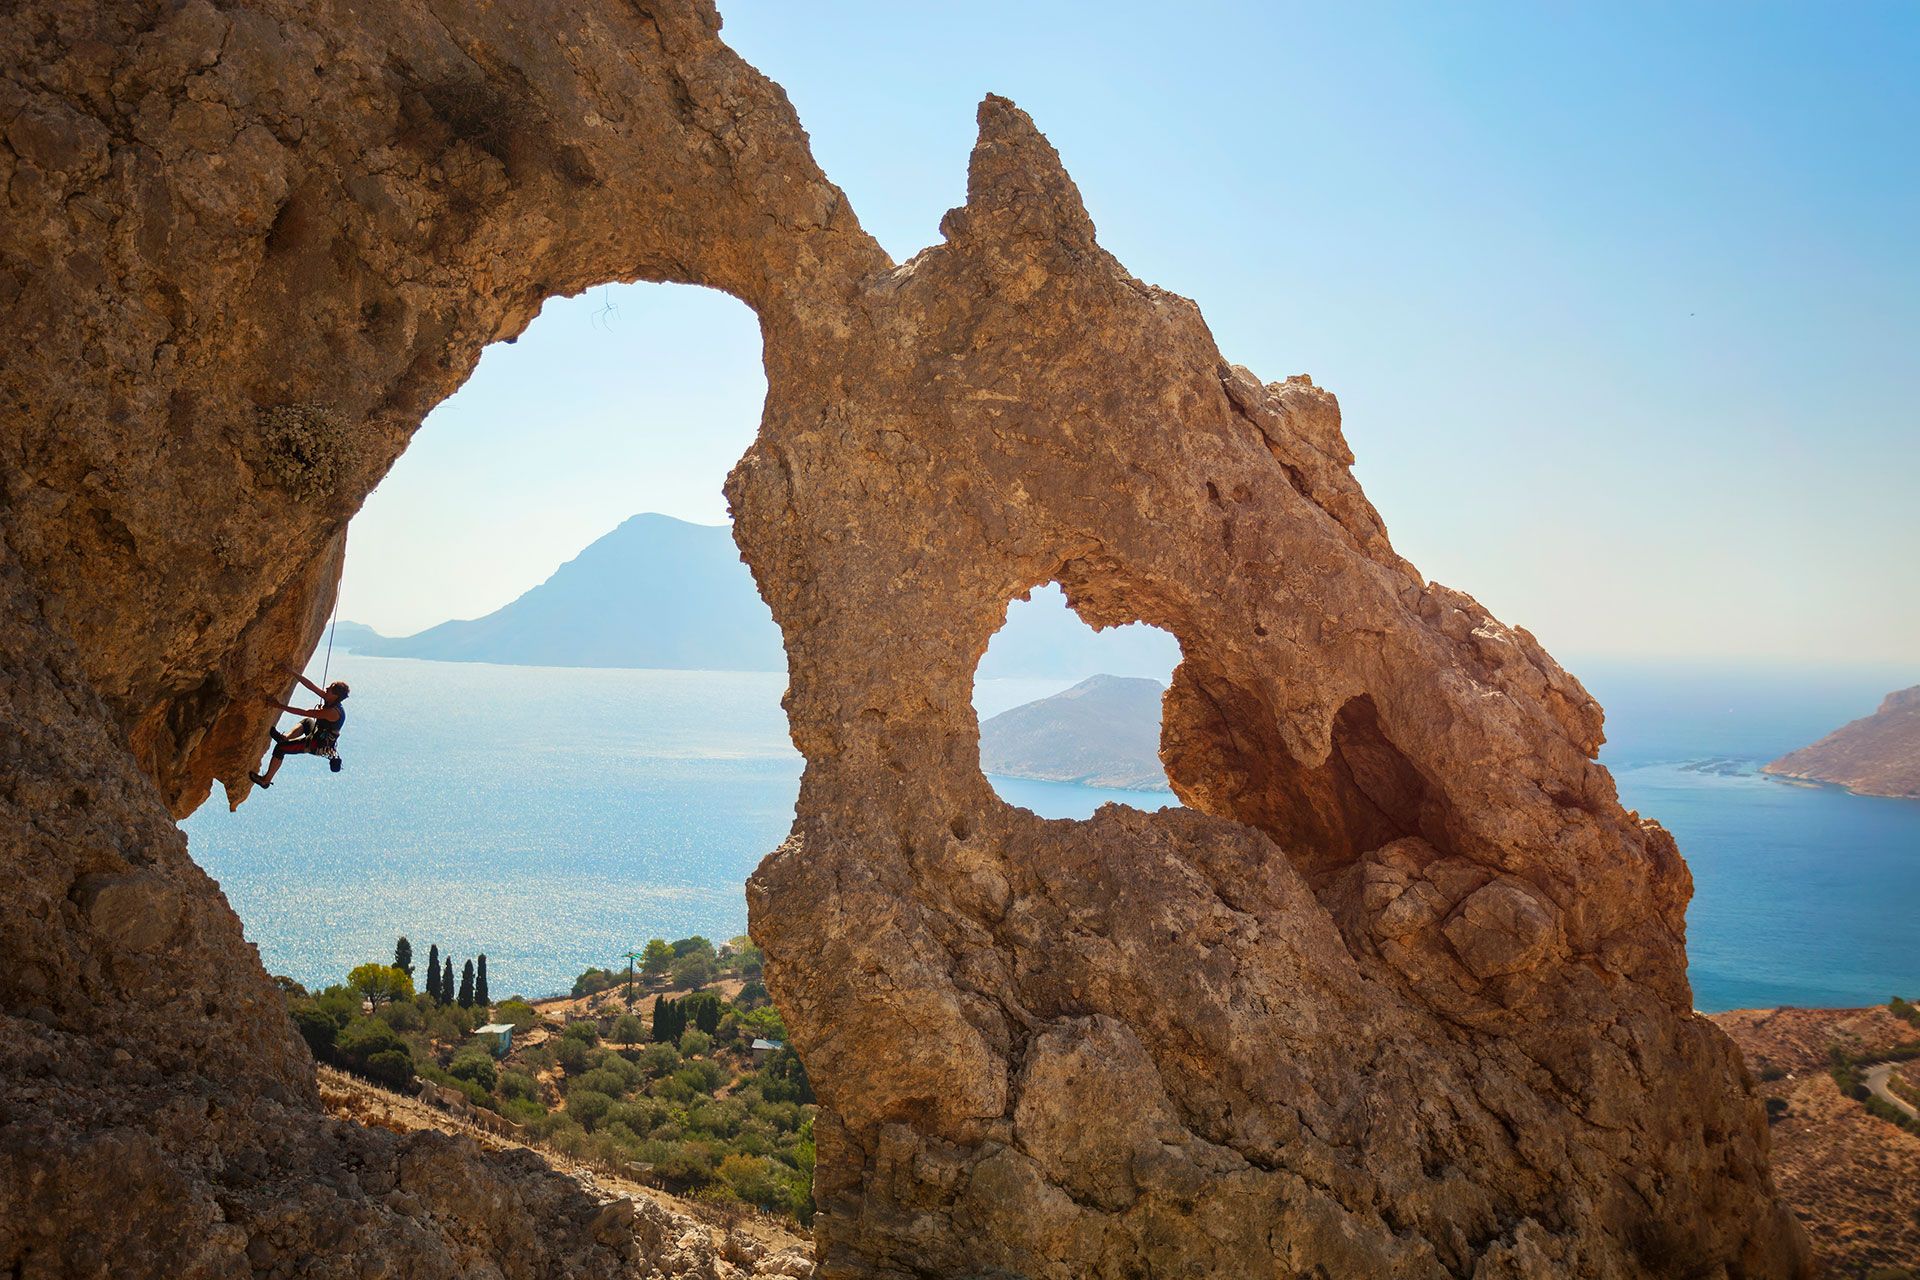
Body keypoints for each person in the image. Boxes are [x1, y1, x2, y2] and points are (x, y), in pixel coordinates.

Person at [250, 664, 349, 789]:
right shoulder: (331, 700)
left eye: (330, 689)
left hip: (316, 744)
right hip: (318, 734)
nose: (326, 688)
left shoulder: (332, 712)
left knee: (280, 748)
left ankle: (266, 780)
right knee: (307, 722)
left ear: (335, 695)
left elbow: (304, 711)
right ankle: (285, 737)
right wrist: (291, 672)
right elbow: (311, 686)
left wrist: (279, 706)